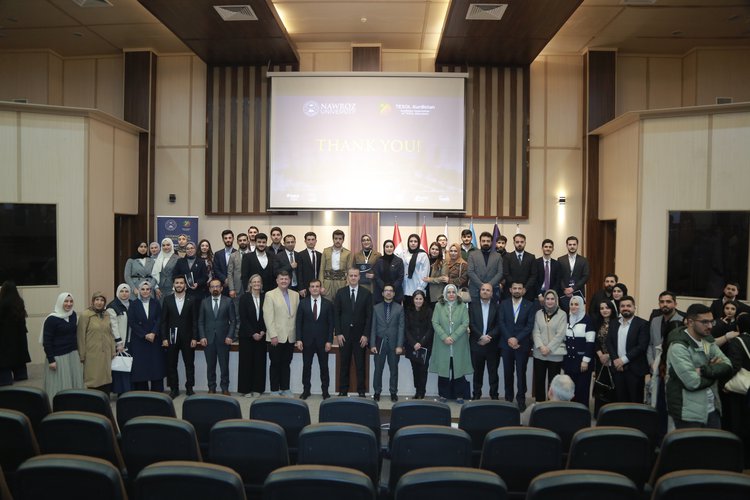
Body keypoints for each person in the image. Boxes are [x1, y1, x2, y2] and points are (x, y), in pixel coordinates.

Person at [666, 303, 732, 429]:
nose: (710, 326)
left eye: (711, 322)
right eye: (705, 322)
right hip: (688, 413)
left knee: (715, 442)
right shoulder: (678, 346)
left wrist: (703, 370)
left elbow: (728, 366)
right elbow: (692, 382)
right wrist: (714, 373)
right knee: (692, 443)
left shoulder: (707, 340)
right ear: (690, 322)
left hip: (712, 409)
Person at [647, 291, 685, 440]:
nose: (665, 304)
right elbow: (650, 344)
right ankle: (659, 437)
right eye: (662, 302)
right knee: (657, 404)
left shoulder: (682, 321)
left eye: (668, 301)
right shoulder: (655, 321)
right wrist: (651, 362)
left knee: (671, 406)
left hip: (673, 370)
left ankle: (672, 437)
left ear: (675, 303)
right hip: (656, 368)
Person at [429, 284, 471, 404]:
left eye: (453, 292)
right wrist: (444, 337)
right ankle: (443, 394)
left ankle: (459, 395)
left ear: (456, 293)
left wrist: (453, 337)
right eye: (449, 292)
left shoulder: (462, 306)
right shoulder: (438, 305)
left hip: (459, 342)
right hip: (442, 343)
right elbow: (435, 322)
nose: (451, 294)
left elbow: (465, 322)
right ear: (445, 294)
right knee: (443, 369)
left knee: (458, 369)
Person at [333, 268, 372, 397]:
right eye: (351, 275)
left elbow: (369, 317)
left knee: (360, 365)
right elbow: (336, 315)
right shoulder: (340, 293)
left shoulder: (367, 293)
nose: (353, 278)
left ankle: (361, 391)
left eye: (355, 275)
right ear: (347, 277)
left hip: (360, 337)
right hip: (344, 336)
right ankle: (343, 391)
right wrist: (338, 333)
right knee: (344, 364)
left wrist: (366, 335)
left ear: (359, 277)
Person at [159, 275, 199, 398]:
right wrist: (164, 338)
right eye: (177, 283)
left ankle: (189, 388)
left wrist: (195, 338)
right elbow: (163, 321)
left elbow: (195, 320)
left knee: (189, 364)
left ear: (185, 285)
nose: (179, 285)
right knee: (171, 364)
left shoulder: (192, 299)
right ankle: (174, 389)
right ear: (173, 285)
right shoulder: (167, 300)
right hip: (171, 338)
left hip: (188, 338)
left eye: (181, 283)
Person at [499, 282, 536, 410]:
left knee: (521, 374)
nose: (517, 290)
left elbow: (529, 326)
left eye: (519, 288)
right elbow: (501, 323)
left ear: (523, 290)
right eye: (514, 288)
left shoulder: (530, 305)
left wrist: (517, 339)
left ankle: (521, 400)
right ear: (510, 290)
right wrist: (510, 338)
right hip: (506, 344)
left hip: (522, 345)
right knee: (508, 373)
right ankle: (508, 399)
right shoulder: (503, 304)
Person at [606, 295, 650, 403]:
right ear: (619, 308)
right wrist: (616, 360)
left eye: (628, 306)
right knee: (619, 400)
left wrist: (623, 360)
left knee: (635, 401)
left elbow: (641, 346)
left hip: (635, 370)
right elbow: (609, 342)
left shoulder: (643, 324)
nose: (625, 308)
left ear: (634, 308)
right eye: (622, 306)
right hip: (617, 368)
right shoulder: (614, 323)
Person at [295, 279, 334, 400]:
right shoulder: (303, 303)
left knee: (324, 367)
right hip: (307, 341)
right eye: (312, 286)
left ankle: (325, 391)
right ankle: (306, 390)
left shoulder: (328, 304)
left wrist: (329, 341)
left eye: (317, 286)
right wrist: (298, 339)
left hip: (323, 342)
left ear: (321, 288)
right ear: (309, 289)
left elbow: (331, 324)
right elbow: (298, 323)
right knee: (306, 367)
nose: (315, 288)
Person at [263, 270, 300, 396]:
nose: (284, 281)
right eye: (281, 279)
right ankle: (274, 390)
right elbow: (268, 317)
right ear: (277, 281)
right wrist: (273, 335)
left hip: (290, 336)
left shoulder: (295, 295)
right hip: (276, 337)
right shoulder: (270, 295)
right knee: (275, 364)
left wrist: (297, 336)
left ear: (289, 280)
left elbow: (296, 317)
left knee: (286, 363)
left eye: (286, 279)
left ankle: (285, 388)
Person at [42, 293, 84, 400]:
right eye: (66, 301)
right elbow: (47, 341)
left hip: (72, 353)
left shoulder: (73, 315)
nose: (69, 304)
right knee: (59, 384)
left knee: (73, 380)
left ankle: (73, 403)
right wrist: (51, 360)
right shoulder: (51, 319)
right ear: (60, 302)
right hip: (58, 356)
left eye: (71, 301)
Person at [199, 278, 236, 395]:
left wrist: (230, 336)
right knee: (210, 366)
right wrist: (202, 336)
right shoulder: (204, 302)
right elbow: (200, 322)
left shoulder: (228, 301)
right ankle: (211, 387)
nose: (215, 288)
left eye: (217, 286)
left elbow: (233, 321)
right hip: (208, 339)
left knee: (224, 366)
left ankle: (225, 388)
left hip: (224, 339)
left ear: (221, 288)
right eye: (212, 287)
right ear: (209, 289)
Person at [370, 284, 405, 402]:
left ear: (394, 294)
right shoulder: (376, 308)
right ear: (382, 293)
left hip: (394, 345)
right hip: (379, 343)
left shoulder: (399, 308)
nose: (388, 292)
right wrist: (372, 344)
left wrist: (399, 345)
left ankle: (393, 392)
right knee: (378, 370)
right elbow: (373, 327)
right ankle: (377, 392)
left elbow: (401, 328)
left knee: (394, 370)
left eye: (391, 291)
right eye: (386, 290)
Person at [531, 289, 567, 404]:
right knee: (539, 381)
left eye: (552, 299)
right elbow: (535, 332)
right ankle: (539, 404)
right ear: (544, 300)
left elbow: (560, 334)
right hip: (539, 353)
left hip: (555, 354)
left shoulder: (562, 314)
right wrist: (541, 347)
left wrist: (549, 348)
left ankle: (552, 405)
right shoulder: (538, 313)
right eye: (547, 299)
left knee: (553, 383)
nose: (550, 301)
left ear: (556, 300)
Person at [128, 281, 165, 391]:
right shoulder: (133, 304)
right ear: (139, 291)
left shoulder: (156, 303)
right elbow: (132, 322)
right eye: (143, 289)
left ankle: (157, 393)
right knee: (141, 369)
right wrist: (144, 334)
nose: (145, 291)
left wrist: (153, 333)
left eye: (147, 289)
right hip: (139, 340)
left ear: (151, 291)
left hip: (154, 339)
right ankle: (142, 394)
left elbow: (159, 319)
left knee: (156, 367)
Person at [77, 292, 116, 393]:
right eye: (97, 300)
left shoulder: (106, 314)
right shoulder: (86, 315)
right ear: (93, 301)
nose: (99, 302)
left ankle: (105, 400)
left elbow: (110, 333)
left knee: (106, 379)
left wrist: (113, 350)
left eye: (102, 300)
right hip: (92, 353)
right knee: (93, 379)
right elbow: (80, 336)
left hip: (106, 352)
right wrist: (82, 354)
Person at [468, 283, 501, 400]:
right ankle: (476, 395)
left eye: (488, 290)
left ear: (492, 293)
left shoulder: (497, 306)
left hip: (492, 345)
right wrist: (481, 337)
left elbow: (499, 325)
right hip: (477, 344)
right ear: (479, 291)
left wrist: (488, 337)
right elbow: (471, 324)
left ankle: (494, 396)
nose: (485, 292)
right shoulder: (472, 306)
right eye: (483, 289)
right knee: (477, 373)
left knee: (493, 373)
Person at [237, 274, 267, 397]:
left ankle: (258, 388)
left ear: (261, 284)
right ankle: (246, 390)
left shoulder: (265, 297)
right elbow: (243, 318)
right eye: (254, 282)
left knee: (259, 363)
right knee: (246, 363)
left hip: (261, 335)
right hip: (246, 335)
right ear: (250, 284)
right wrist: (252, 333)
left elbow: (268, 316)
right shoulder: (244, 298)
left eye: (258, 282)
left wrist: (263, 331)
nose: (256, 284)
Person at [564, 295, 594, 407]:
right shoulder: (567, 319)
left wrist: (585, 361)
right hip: (569, 361)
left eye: (576, 304)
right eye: (571, 304)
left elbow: (590, 342)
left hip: (582, 362)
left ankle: (582, 413)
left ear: (581, 305)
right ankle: (571, 412)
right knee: (570, 390)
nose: (573, 307)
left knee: (582, 390)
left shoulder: (588, 320)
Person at [404, 290, 433, 399]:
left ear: (424, 300)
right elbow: (406, 329)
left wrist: (421, 343)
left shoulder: (429, 311)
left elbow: (430, 329)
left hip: (425, 345)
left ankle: (422, 391)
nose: (418, 301)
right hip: (412, 346)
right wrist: (414, 343)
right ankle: (417, 390)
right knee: (415, 369)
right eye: (416, 299)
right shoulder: (408, 311)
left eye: (420, 299)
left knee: (423, 369)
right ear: (413, 300)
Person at [0, 281, 31, 386]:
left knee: (4, 358)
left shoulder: (2, 303)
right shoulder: (19, 302)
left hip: (5, 335)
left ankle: (6, 379)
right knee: (19, 354)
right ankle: (21, 375)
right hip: (20, 334)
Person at [592, 300, 617, 415]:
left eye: (607, 308)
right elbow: (595, 341)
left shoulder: (617, 323)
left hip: (614, 359)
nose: (604, 310)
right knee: (601, 385)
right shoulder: (597, 323)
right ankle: (599, 413)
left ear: (612, 309)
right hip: (600, 359)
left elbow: (618, 342)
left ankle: (611, 414)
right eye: (602, 308)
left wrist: (609, 356)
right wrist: (601, 355)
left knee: (612, 385)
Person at [106, 284, 131, 396]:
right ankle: (121, 392)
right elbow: (113, 326)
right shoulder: (112, 306)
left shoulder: (132, 304)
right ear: (117, 292)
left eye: (126, 291)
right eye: (122, 291)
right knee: (120, 368)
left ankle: (128, 390)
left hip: (130, 341)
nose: (124, 293)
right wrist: (119, 342)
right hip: (120, 343)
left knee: (128, 367)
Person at [468, 231, 503, 302]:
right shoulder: (472, 255)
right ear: (480, 242)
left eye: (488, 241)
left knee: (493, 309)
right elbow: (470, 271)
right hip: (475, 289)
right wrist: (481, 285)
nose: (485, 243)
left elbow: (500, 273)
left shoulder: (498, 256)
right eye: (483, 241)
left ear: (491, 242)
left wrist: (489, 285)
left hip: (492, 290)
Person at [558, 236, 590, 311]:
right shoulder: (560, 260)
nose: (572, 246)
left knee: (578, 314)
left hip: (578, 292)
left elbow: (586, 276)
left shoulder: (584, 260)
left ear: (577, 245)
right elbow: (558, 276)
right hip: (564, 293)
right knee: (564, 314)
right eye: (570, 244)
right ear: (567, 246)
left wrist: (573, 288)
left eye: (574, 244)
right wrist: (564, 289)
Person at [503, 233, 537, 301]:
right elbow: (506, 274)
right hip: (511, 291)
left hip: (527, 292)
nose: (519, 244)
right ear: (514, 243)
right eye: (517, 242)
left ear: (525, 243)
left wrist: (525, 288)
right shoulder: (507, 257)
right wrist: (515, 287)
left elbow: (533, 275)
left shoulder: (531, 257)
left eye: (522, 242)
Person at [320, 229, 352, 302]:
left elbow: (349, 270)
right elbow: (321, 269)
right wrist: (321, 285)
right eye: (336, 238)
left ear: (343, 240)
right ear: (333, 239)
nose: (338, 241)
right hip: (328, 282)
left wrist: (348, 284)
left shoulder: (348, 253)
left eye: (340, 239)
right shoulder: (326, 251)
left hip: (341, 282)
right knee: (327, 303)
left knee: (340, 302)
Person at [227, 232, 251, 318]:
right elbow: (230, 273)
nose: (242, 242)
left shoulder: (253, 254)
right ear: (237, 242)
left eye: (244, 240)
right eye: (240, 240)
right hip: (237, 288)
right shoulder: (233, 256)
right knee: (237, 311)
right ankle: (238, 326)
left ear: (247, 241)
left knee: (249, 310)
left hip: (249, 287)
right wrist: (231, 289)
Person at [402, 234, 429, 310]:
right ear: (408, 242)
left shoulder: (423, 255)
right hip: (405, 289)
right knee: (406, 312)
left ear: (418, 243)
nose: (413, 243)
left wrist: (420, 289)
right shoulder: (403, 253)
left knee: (417, 312)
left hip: (417, 289)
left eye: (415, 241)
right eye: (411, 241)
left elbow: (425, 273)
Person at [373, 240, 404, 304]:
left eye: (391, 247)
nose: (389, 249)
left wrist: (391, 288)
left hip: (396, 292)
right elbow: (377, 276)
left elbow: (400, 277)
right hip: (380, 292)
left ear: (393, 248)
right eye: (387, 247)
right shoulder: (379, 261)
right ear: (384, 248)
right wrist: (385, 288)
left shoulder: (399, 261)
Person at [534, 239, 562, 304]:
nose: (548, 249)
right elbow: (534, 280)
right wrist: (539, 295)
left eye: (550, 247)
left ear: (553, 249)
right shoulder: (536, 262)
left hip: (552, 294)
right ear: (542, 248)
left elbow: (558, 281)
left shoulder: (557, 264)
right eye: (546, 247)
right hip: (538, 295)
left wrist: (552, 294)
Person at [298, 231, 322, 300]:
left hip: (317, 286)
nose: (311, 242)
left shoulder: (320, 255)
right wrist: (301, 288)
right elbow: (299, 272)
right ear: (305, 241)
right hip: (305, 287)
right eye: (308, 240)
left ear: (316, 241)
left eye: (312, 239)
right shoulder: (300, 255)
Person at [212, 229, 236, 296]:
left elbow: (238, 270)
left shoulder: (237, 253)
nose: (228, 240)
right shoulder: (217, 254)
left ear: (233, 239)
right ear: (223, 240)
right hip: (222, 286)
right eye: (225, 238)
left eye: (230, 238)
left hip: (235, 286)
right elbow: (216, 269)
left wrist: (230, 280)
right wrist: (225, 279)